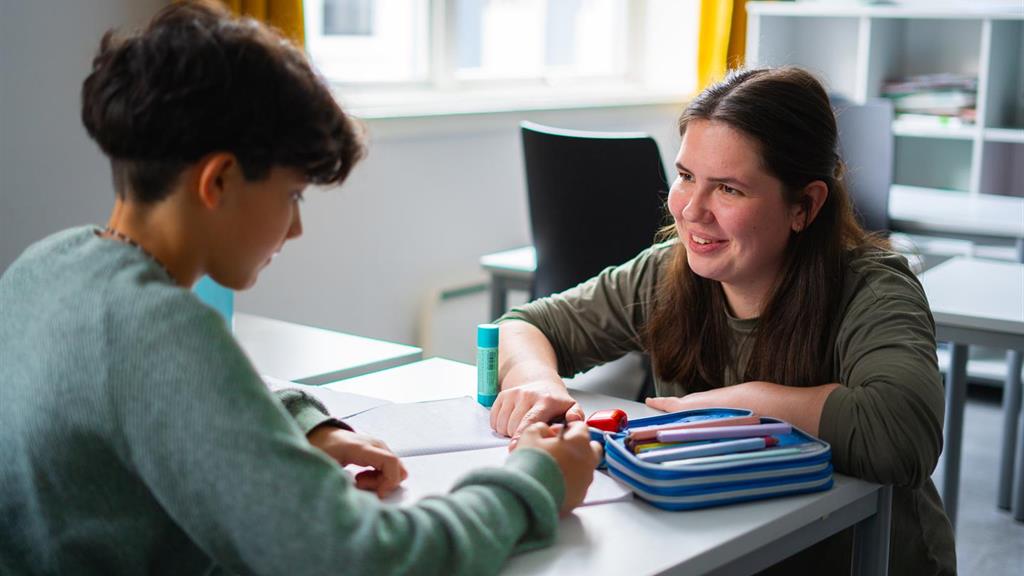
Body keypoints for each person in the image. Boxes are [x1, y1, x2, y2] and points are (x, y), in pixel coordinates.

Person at [0, 2, 602, 574]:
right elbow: (370, 559)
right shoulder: (156, 330)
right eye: (291, 195)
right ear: (219, 180)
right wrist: (534, 480)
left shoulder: (49, 264)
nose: (295, 227)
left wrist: (309, 424)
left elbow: (193, 392)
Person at [489, 67, 955, 575]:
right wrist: (535, 381)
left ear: (805, 205)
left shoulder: (871, 289)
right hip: (724, 547)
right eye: (686, 176)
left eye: (729, 189)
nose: (692, 210)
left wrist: (733, 406)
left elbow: (902, 433)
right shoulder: (666, 272)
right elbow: (525, 324)